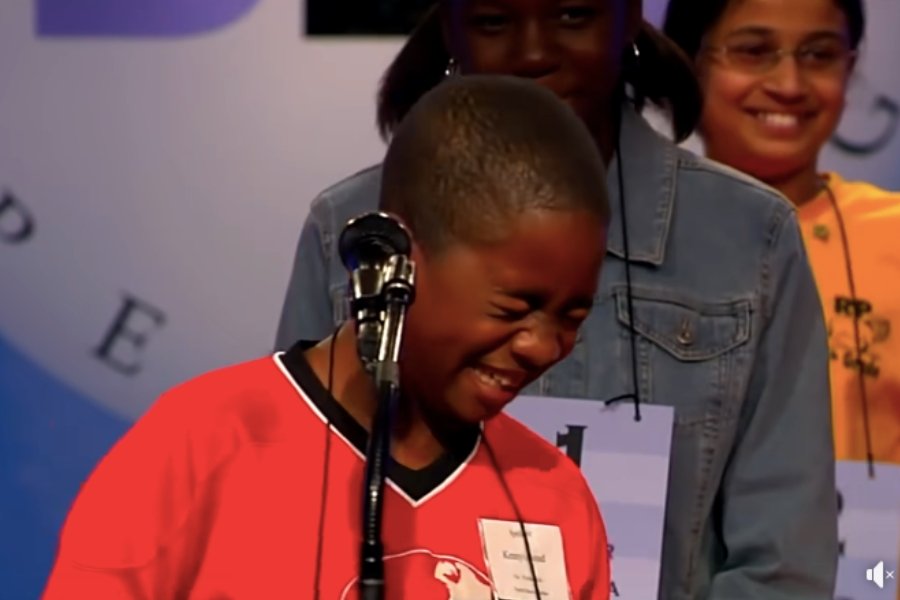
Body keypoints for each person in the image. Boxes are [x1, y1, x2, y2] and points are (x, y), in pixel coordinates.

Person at [275, 1, 838, 598]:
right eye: (494, 22)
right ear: (452, 28)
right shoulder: (355, 228)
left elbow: (783, 563)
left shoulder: (752, 235)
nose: (535, 52)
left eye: (573, 16)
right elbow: (296, 514)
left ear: (628, 18)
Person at [42, 75, 612, 599]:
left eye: (571, 317)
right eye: (513, 307)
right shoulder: (200, 446)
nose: (541, 346)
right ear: (398, 260)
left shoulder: (554, 494)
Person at [663, 0, 900, 464]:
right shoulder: (625, 231)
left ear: (850, 69)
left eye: (819, 55)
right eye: (753, 51)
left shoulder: (890, 235)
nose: (789, 85)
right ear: (687, 61)